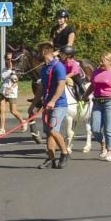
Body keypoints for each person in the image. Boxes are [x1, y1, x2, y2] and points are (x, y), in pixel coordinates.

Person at [36, 40, 72, 168]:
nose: (38, 53)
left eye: (39, 51)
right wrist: (33, 105)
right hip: (47, 104)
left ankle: (64, 152)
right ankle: (51, 159)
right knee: (48, 133)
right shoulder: (44, 68)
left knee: (53, 130)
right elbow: (41, 88)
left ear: (45, 51)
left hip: (59, 105)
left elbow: (61, 84)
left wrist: (53, 101)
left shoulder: (58, 66)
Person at [0, 52, 22, 135]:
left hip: (12, 93)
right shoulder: (3, 69)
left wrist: (10, 89)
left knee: (13, 111)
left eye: (11, 59)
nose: (9, 61)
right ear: (5, 59)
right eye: (8, 59)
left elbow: (16, 82)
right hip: (3, 91)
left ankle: (23, 121)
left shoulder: (14, 70)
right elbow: (4, 80)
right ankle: (2, 128)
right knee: (1, 110)